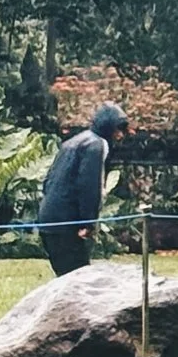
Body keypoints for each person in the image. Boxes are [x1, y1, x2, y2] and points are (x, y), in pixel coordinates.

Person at [36, 100, 128, 274]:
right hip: (67, 223)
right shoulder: (96, 145)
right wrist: (87, 222)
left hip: (49, 219)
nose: (120, 135)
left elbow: (48, 180)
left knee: (67, 277)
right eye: (119, 129)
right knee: (78, 280)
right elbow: (88, 186)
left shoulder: (72, 142)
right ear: (109, 127)